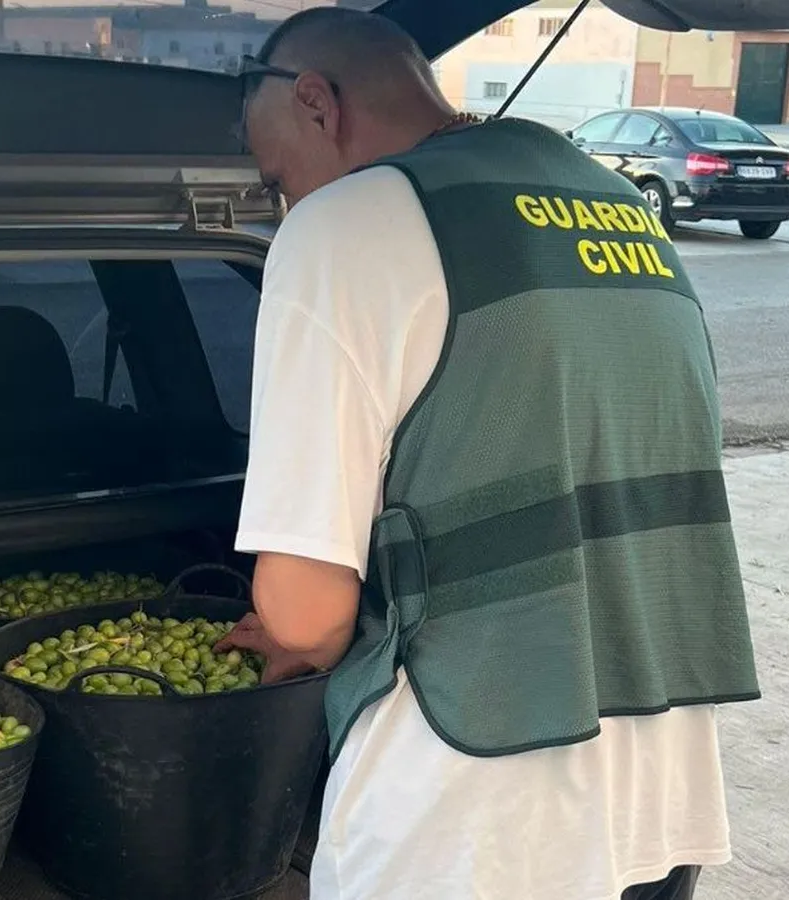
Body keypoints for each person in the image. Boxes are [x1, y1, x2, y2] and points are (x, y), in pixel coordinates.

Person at [216, 8, 761, 900]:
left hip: (470, 814)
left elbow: (308, 613)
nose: (285, 206)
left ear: (316, 102)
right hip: (653, 797)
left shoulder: (343, 226)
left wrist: (287, 635)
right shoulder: (618, 205)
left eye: (277, 180)